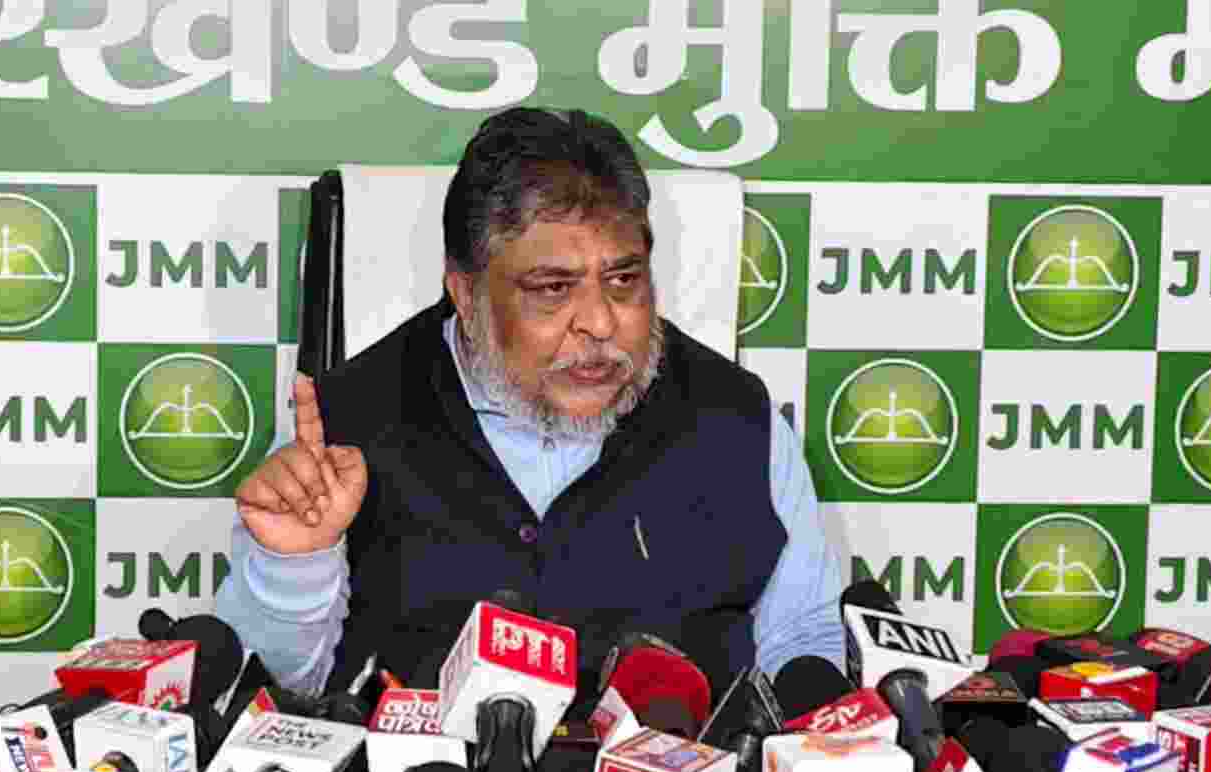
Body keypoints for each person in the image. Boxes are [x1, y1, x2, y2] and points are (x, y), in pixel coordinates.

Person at [215, 107, 842, 703]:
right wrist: (294, 569)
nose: (599, 323)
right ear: (464, 292)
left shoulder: (738, 420)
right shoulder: (339, 428)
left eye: (624, 280)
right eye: (553, 289)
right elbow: (273, 692)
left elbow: (803, 652)